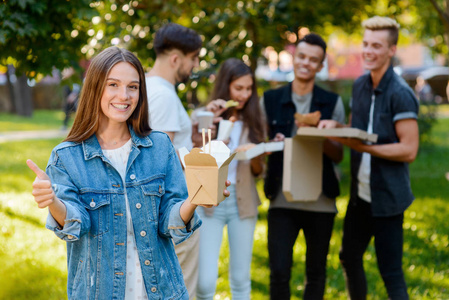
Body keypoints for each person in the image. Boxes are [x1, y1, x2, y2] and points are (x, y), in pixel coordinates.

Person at [26, 46, 229, 300]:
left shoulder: (159, 146)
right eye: (113, 84)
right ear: (95, 87)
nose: (124, 95)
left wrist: (195, 198)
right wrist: (52, 201)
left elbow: (170, 222)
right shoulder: (67, 157)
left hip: (162, 292)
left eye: (133, 87)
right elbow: (76, 225)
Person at [319, 16, 419, 299]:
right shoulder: (361, 84)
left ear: (391, 50)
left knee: (391, 274)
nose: (368, 51)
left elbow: (409, 150)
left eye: (376, 45)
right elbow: (359, 131)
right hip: (360, 196)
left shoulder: (401, 93)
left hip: (388, 198)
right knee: (349, 257)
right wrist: (337, 128)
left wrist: (365, 149)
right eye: (365, 44)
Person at [262, 33, 346, 299]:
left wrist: (318, 137)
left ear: (321, 65)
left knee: (316, 273)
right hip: (281, 200)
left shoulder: (332, 103)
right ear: (293, 58)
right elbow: (260, 146)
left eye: (313, 60)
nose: (306, 63)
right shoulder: (271, 100)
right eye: (302, 57)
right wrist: (273, 142)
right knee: (279, 272)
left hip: (321, 200)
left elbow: (338, 154)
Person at [192, 58, 265, 299]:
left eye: (249, 88)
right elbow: (194, 158)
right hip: (210, 201)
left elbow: (258, 170)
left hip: (242, 201)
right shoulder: (206, 117)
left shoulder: (255, 118)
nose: (244, 94)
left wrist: (254, 152)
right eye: (238, 88)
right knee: (204, 282)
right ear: (226, 87)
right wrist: (210, 131)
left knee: (241, 279)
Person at [145, 22, 202, 299]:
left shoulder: (145, 87)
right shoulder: (164, 96)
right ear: (176, 58)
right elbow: (160, 165)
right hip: (174, 214)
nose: (195, 66)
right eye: (194, 59)